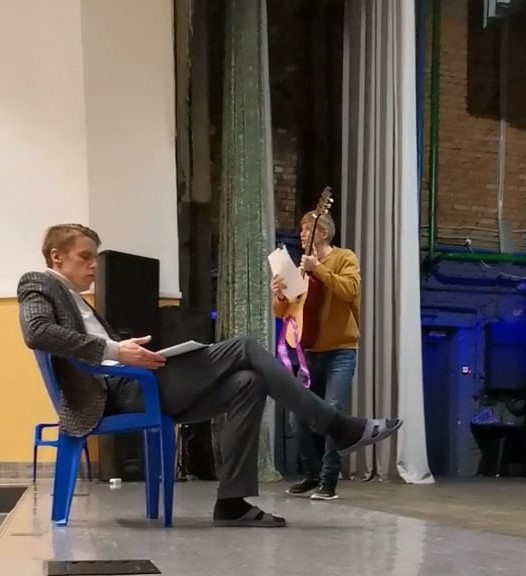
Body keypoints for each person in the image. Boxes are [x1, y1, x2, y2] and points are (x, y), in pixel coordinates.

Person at [18, 224, 402, 528]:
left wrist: (126, 351)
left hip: (132, 382)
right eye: (84, 257)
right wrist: (118, 350)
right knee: (244, 348)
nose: (93, 265)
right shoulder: (38, 282)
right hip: (119, 392)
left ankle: (232, 503)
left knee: (250, 382)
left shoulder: (77, 299)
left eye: (93, 258)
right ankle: (335, 425)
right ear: (56, 257)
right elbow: (36, 332)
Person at [271, 211, 359, 501]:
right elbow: (284, 312)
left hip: (340, 351)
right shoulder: (300, 269)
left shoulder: (344, 257)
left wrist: (318, 269)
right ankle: (311, 474)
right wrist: (279, 295)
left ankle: (328, 482)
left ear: (323, 232)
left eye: (307, 229)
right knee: (298, 415)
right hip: (309, 353)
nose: (302, 234)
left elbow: (350, 290)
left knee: (331, 413)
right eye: (301, 230)